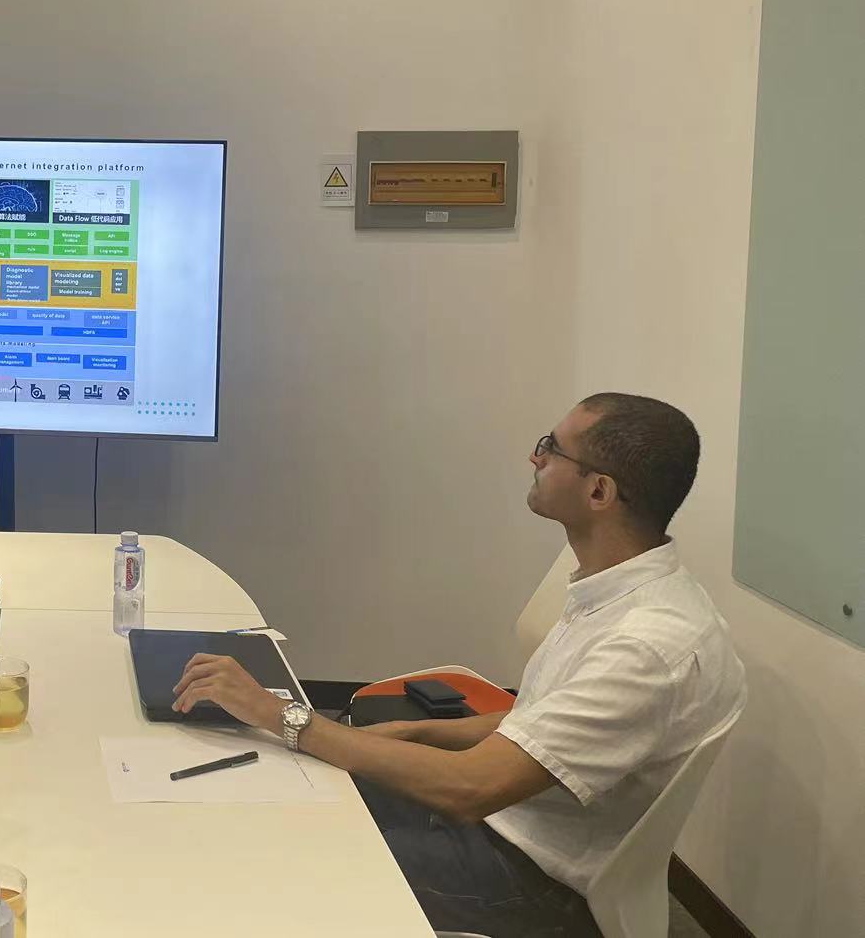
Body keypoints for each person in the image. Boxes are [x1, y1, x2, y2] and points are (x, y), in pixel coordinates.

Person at [172, 393, 746, 937]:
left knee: (271, 856)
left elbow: (471, 788)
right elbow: (540, 721)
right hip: (504, 821)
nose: (535, 458)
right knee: (285, 789)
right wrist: (418, 731)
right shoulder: (618, 591)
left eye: (551, 448)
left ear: (598, 491)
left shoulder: (646, 646)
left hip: (529, 877)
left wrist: (283, 718)